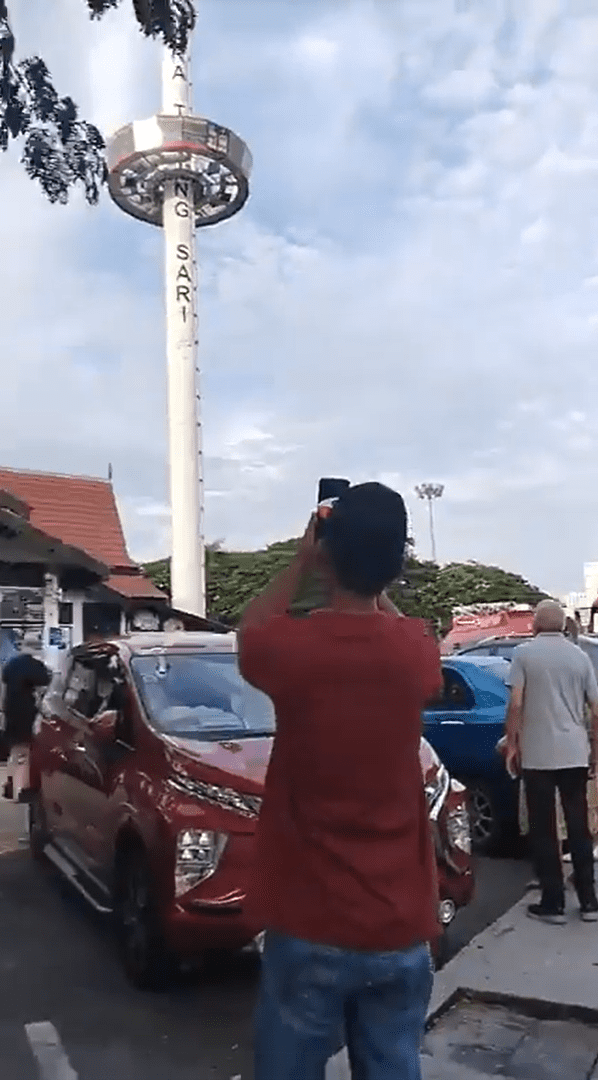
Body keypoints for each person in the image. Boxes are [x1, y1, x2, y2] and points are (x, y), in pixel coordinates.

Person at [238, 482, 443, 1080]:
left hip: (309, 919)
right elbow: (397, 625)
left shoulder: (288, 649)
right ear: (399, 563)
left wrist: (308, 555)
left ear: (328, 552)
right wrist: (375, 578)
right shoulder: (415, 649)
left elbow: (251, 627)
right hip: (399, 925)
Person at [505, 600, 598, 923]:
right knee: (579, 828)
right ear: (562, 624)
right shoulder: (580, 657)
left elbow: (515, 705)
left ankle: (553, 903)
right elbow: (595, 710)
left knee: (544, 829)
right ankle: (589, 902)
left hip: (539, 754)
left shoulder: (524, 655)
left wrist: (513, 744)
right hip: (574, 752)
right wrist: (594, 750)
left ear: (535, 624)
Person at [2, 631, 51, 841]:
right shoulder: (36, 667)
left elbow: (4, 689)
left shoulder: (11, 665)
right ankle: (22, 788)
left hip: (11, 714)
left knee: (15, 750)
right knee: (27, 752)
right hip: (28, 715)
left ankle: (12, 783)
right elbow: (46, 684)